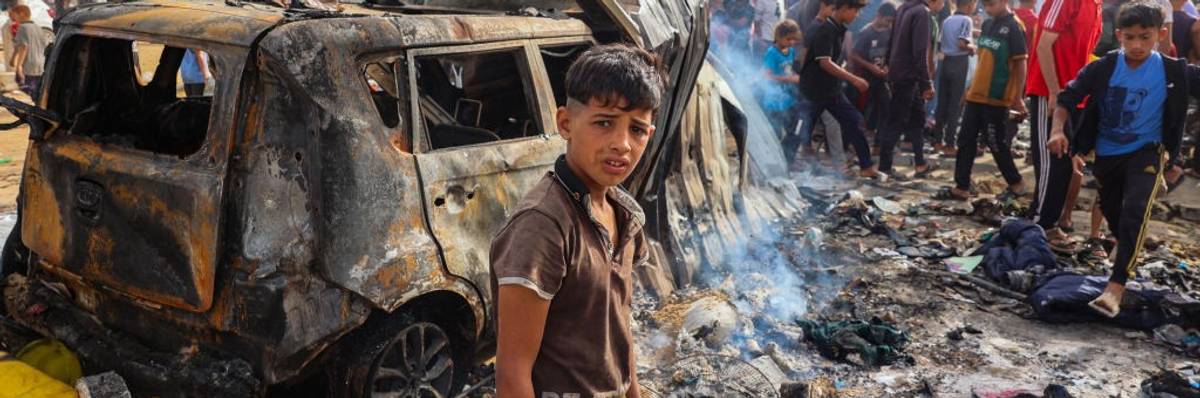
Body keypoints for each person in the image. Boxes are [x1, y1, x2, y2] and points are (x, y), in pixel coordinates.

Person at [491, 44, 662, 397]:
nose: (622, 144)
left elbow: (618, 329)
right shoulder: (543, 225)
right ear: (566, 123)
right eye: (604, 123)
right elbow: (511, 375)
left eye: (637, 130)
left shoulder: (624, 215)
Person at [1050, 2, 1196, 317]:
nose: (1137, 45)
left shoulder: (1173, 70)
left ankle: (1116, 286)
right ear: (1118, 35)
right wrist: (1058, 131)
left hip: (1148, 150)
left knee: (1135, 210)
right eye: (1130, 37)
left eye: (1145, 37)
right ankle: (1123, 249)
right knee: (1116, 215)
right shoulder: (1103, 67)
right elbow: (1067, 98)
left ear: (1161, 34)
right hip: (1107, 154)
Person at [1024, 0, 1102, 250]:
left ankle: (1048, 223)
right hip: (1050, 91)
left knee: (1066, 164)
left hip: (1073, 96)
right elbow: (1044, 45)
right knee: (1051, 162)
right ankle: (1041, 225)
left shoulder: (1096, 5)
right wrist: (1054, 92)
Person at [947, 0, 1027, 200]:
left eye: (991, 4)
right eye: (985, 5)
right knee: (965, 140)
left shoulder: (1014, 26)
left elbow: (1020, 63)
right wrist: (969, 89)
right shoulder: (987, 24)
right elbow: (982, 60)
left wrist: (1018, 97)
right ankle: (962, 186)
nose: (988, 9)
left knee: (996, 143)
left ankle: (1016, 183)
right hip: (976, 95)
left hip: (997, 97)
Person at [798, 0, 881, 177]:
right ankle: (783, 166)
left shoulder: (838, 28)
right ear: (844, 8)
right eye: (855, 11)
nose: (856, 15)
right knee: (799, 131)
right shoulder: (825, 29)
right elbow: (825, 62)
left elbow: (833, 62)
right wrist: (853, 79)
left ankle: (866, 167)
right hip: (813, 91)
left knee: (855, 121)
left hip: (831, 91)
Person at [879, 0, 945, 179]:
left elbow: (892, 40)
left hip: (902, 73)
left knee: (918, 118)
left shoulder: (903, 8)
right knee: (896, 121)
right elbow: (920, 51)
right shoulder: (922, 12)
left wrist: (887, 62)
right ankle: (884, 167)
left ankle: (920, 163)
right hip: (909, 76)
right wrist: (927, 82)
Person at [931, 0, 977, 157]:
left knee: (942, 102)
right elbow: (962, 43)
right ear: (970, 5)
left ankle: (937, 142)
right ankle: (950, 144)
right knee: (956, 104)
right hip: (959, 63)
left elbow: (940, 42)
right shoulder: (966, 20)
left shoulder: (947, 20)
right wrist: (974, 48)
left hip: (945, 62)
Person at [849, 1, 897, 136]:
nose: (889, 24)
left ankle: (878, 144)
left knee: (887, 107)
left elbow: (891, 52)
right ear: (879, 16)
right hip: (865, 78)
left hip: (881, 78)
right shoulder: (866, 32)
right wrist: (870, 67)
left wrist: (887, 66)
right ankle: (854, 140)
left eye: (891, 21)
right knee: (861, 110)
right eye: (887, 20)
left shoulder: (889, 32)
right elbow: (853, 54)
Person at [762, 20, 802, 133]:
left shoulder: (791, 51)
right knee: (776, 134)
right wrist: (789, 79)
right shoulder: (772, 53)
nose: (792, 42)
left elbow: (789, 71)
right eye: (788, 39)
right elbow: (766, 77)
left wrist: (795, 76)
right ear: (778, 36)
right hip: (774, 101)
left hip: (788, 99)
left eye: (794, 39)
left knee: (793, 131)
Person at [8, 5, 47, 101]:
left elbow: (23, 47)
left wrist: (19, 66)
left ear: (22, 14)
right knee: (37, 90)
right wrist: (13, 59)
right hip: (41, 64)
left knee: (25, 86)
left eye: (14, 15)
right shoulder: (38, 27)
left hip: (29, 65)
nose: (13, 18)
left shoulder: (23, 27)